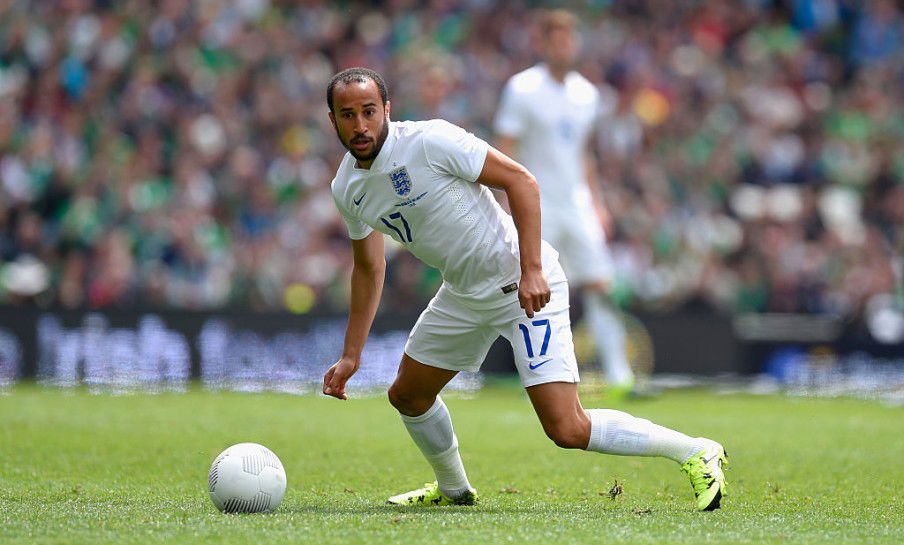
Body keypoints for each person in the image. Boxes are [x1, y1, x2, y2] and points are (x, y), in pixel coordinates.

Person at [322, 67, 728, 511]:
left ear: (387, 111)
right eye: (348, 115)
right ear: (333, 120)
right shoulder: (347, 188)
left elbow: (522, 182)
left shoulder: (430, 141)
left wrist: (532, 270)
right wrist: (351, 354)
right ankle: (454, 491)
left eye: (368, 112)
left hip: (522, 284)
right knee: (407, 395)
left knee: (567, 428)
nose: (360, 126)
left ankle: (693, 450)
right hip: (463, 292)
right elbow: (368, 267)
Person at [494, 10, 635, 397]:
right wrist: (506, 205)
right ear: (542, 44)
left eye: (569, 39)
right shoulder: (522, 88)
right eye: (556, 39)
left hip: (578, 204)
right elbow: (505, 150)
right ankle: (537, 373)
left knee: (601, 284)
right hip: (535, 204)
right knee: (535, 286)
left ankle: (621, 376)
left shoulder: (587, 94)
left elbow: (584, 154)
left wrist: (598, 203)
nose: (565, 46)